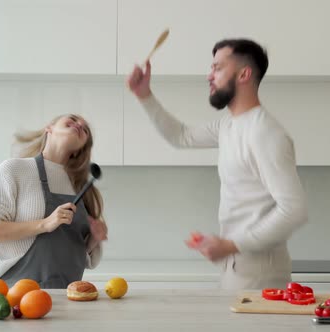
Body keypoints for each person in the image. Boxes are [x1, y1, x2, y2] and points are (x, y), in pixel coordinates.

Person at [126, 39, 308, 289]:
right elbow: (181, 136)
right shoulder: (229, 125)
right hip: (237, 268)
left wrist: (230, 244)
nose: (209, 76)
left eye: (218, 68)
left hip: (260, 276)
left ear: (244, 74)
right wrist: (144, 95)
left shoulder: (264, 133)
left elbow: (294, 210)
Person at [0, 114, 108, 288]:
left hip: (68, 299)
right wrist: (45, 224)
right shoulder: (14, 170)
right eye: (72, 120)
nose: (79, 124)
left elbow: (77, 254)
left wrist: (94, 239)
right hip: (17, 298)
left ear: (81, 148)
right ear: (49, 128)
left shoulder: (83, 187)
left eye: (85, 129)